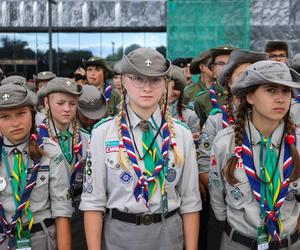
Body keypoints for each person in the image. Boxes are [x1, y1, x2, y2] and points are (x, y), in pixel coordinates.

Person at [80, 48, 202, 250]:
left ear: (165, 84)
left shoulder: (182, 134)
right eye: (137, 78)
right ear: (124, 82)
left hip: (168, 233)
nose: (147, 88)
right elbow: (93, 202)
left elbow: (190, 201)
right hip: (120, 234)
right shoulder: (103, 133)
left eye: (155, 80)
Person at [209, 60, 300, 250]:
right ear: (250, 96)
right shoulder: (225, 143)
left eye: (286, 91)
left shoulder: (297, 143)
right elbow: (218, 202)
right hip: (238, 243)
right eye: (271, 90)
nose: (281, 98)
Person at [199, 49, 269, 250]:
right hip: (229, 210)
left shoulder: (270, 120)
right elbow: (205, 165)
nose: (249, 80)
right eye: (243, 75)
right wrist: (226, 193)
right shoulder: (217, 120)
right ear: (229, 82)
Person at [0, 83, 72, 249]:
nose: (15, 122)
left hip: (42, 237)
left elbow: (62, 212)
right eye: (5, 117)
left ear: (32, 114)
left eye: (21, 113)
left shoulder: (50, 152)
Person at [37, 77, 89, 250]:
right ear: (46, 102)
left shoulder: (86, 139)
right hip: (50, 214)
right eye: (60, 103)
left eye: (72, 104)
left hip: (79, 211)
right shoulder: (37, 141)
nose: (67, 109)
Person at [193, 45, 235, 128]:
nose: (226, 68)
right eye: (221, 64)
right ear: (213, 69)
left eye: (231, 64)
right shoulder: (202, 100)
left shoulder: (247, 96)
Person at [167, 65, 200, 144]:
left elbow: (195, 145)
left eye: (175, 88)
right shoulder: (149, 112)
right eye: (167, 87)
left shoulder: (190, 115)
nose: (170, 92)